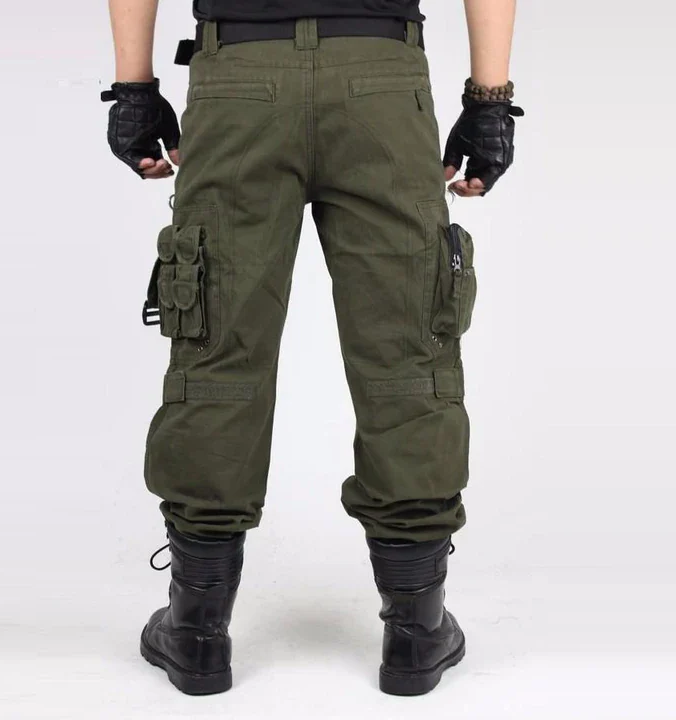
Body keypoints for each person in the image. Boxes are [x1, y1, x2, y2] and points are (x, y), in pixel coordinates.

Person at [103, 0, 523, 697]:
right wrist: (491, 102)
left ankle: (197, 629)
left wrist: (134, 90)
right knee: (409, 350)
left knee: (215, 347)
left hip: (238, 76)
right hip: (381, 80)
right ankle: (416, 629)